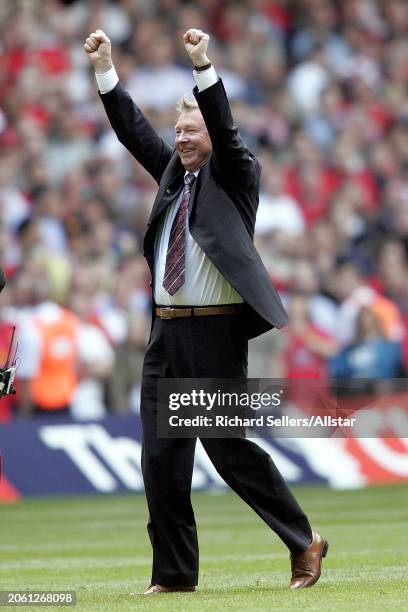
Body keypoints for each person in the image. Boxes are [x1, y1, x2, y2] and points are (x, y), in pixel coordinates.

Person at [84, 27, 328, 595]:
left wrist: (202, 66)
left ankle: (304, 541)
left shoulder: (237, 176)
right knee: (160, 462)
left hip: (214, 334)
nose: (183, 138)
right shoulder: (173, 174)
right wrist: (106, 71)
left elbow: (224, 126)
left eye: (192, 130)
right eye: (179, 130)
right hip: (164, 336)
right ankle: (173, 576)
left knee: (227, 450)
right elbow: (134, 132)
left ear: (213, 136)